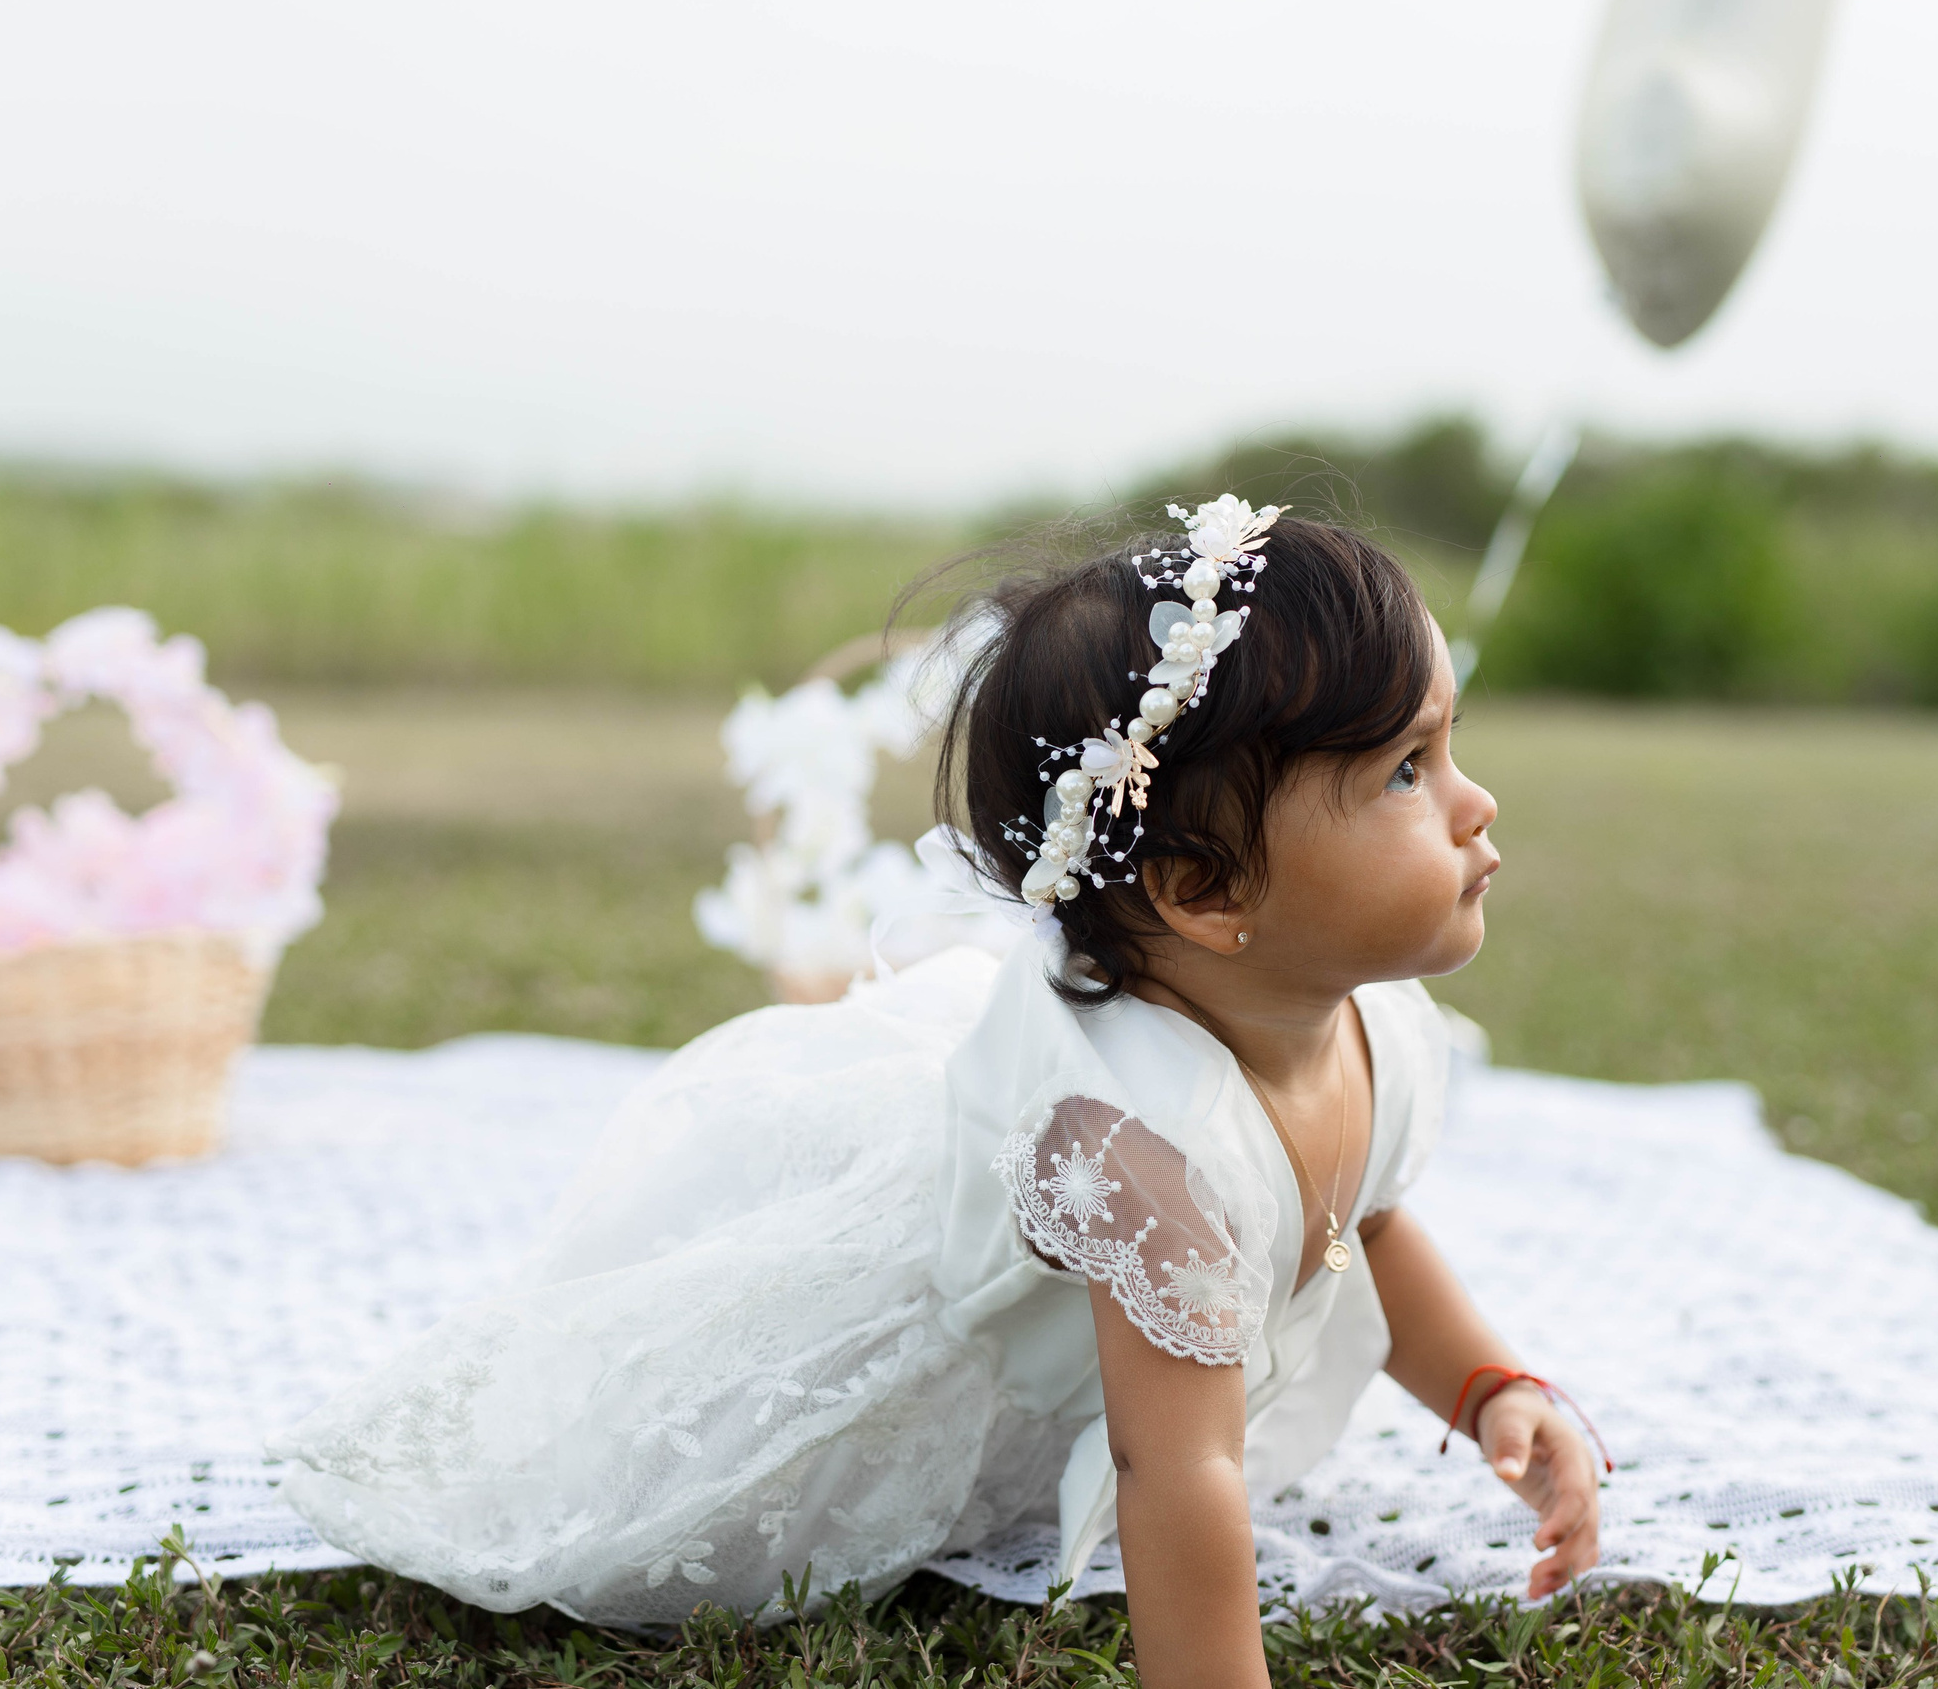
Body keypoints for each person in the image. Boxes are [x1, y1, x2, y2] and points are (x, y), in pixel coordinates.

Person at [272, 500, 1604, 1683]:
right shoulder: (1150, 1149)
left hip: (1099, 1280)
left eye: (1446, 746)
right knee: (664, 1511)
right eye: (1406, 771)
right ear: (1204, 893)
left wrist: (1490, 1387)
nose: (1475, 804)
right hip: (926, 1361)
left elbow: (1356, 1214)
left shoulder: (1375, 1023)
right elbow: (1178, 1465)